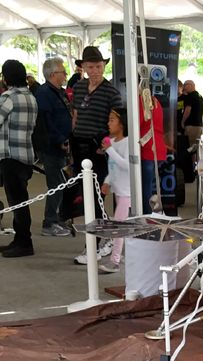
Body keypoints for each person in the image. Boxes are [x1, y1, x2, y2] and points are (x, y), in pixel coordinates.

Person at [71, 46, 122, 264]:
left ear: (104, 66)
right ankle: (98, 240)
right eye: (90, 67)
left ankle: (99, 242)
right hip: (79, 146)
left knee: (99, 195)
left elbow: (119, 122)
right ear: (82, 67)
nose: (95, 71)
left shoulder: (111, 92)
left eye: (99, 66)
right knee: (85, 196)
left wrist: (108, 145)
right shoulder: (79, 87)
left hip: (100, 148)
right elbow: (75, 114)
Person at [0, 60, 38, 258]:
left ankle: (24, 242)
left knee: (17, 202)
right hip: (26, 155)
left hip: (10, 157)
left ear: (6, 77)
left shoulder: (8, 97)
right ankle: (20, 240)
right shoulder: (31, 97)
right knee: (21, 200)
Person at [34, 57, 72, 237]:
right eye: (62, 72)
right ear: (51, 74)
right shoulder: (44, 94)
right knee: (56, 185)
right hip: (51, 147)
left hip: (62, 145)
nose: (65, 75)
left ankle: (57, 219)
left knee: (62, 184)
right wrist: (59, 140)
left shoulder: (58, 92)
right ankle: (49, 223)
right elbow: (45, 123)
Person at [98, 108, 129, 273]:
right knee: (121, 225)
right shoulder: (114, 142)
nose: (108, 123)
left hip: (127, 193)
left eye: (112, 120)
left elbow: (126, 165)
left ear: (122, 124)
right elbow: (113, 167)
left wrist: (109, 149)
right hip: (119, 191)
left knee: (119, 226)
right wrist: (107, 181)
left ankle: (114, 261)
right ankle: (120, 256)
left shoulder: (127, 142)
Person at [139, 91, 167, 214]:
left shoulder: (141, 101)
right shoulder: (155, 101)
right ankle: (153, 214)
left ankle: (147, 214)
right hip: (158, 146)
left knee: (146, 187)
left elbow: (137, 123)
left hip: (148, 148)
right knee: (152, 185)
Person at [181, 80, 203, 149]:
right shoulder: (200, 96)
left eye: (185, 85)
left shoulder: (190, 96)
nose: (184, 87)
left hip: (191, 126)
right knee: (195, 146)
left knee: (190, 147)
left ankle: (192, 160)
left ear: (191, 85)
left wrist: (183, 121)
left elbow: (188, 110)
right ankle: (195, 159)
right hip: (199, 125)